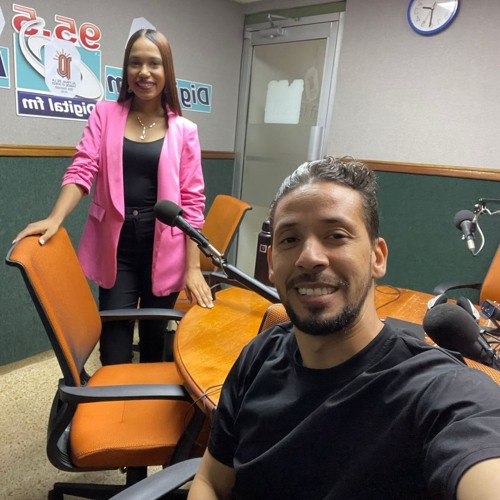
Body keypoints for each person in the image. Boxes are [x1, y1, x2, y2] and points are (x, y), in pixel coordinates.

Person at [188, 156, 500, 499]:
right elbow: (211, 482)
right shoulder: (258, 356)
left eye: (336, 235)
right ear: (272, 264)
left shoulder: (441, 392)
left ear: (377, 257)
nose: (309, 257)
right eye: (289, 240)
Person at [13, 29, 213, 365]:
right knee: (114, 348)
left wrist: (193, 268)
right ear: (126, 69)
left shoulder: (184, 130)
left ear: (167, 71)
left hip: (165, 246)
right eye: (135, 63)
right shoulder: (104, 114)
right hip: (117, 246)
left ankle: (147, 396)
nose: (144, 72)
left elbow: (191, 205)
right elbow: (82, 169)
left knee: (153, 343)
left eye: (153, 63)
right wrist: (55, 218)